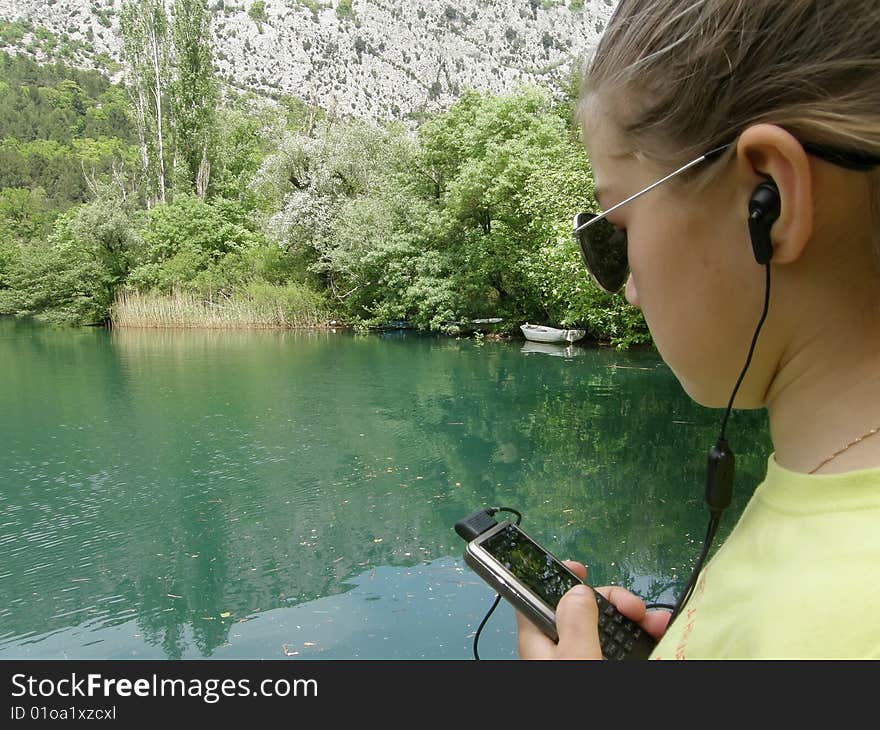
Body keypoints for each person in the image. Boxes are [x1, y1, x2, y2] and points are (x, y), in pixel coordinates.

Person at [517, 0, 880, 659]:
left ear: (767, 201)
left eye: (615, 228)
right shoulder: (825, 498)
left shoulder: (844, 620)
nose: (626, 287)